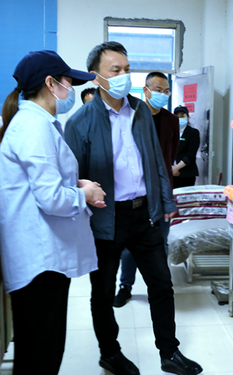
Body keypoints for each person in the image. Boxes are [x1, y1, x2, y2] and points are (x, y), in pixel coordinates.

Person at [65, 41, 203, 375]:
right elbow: (72, 178)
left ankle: (169, 352)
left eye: (127, 69)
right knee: (103, 292)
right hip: (106, 218)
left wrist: (166, 202)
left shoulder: (140, 111)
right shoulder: (80, 122)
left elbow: (155, 160)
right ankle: (109, 353)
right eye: (116, 70)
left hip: (145, 215)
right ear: (96, 76)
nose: (123, 75)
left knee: (161, 284)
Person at [0, 50, 105, 375]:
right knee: (41, 354)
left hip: (43, 258)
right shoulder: (34, 126)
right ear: (50, 83)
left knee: (41, 348)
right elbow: (51, 198)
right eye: (68, 82)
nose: (70, 90)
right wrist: (84, 194)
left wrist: (77, 183)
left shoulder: (38, 123)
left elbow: (43, 182)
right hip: (40, 262)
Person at [114, 72, 179, 308]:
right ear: (146, 90)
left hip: (162, 192)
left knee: (161, 241)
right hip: (136, 192)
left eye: (166, 91)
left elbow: (170, 155)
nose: (163, 94)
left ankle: (159, 288)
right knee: (129, 246)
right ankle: (125, 286)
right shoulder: (133, 116)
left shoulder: (172, 121)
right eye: (158, 90)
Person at [172, 106, 200, 188]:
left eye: (182, 116)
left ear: (187, 118)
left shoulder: (193, 132)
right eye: (177, 116)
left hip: (186, 173)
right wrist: (171, 168)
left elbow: (190, 154)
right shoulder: (169, 132)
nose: (179, 118)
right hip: (170, 172)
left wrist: (176, 168)